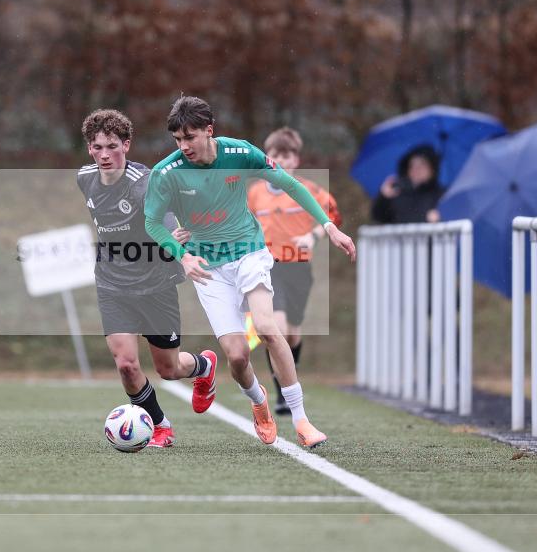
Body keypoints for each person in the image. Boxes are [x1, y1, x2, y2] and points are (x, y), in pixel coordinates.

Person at [144, 96, 356, 449]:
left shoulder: (239, 153)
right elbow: (152, 222)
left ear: (209, 130)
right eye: (177, 140)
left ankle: (302, 420)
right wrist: (182, 256)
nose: (183, 146)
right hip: (208, 268)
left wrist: (328, 226)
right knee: (238, 355)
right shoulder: (166, 173)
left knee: (268, 328)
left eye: (190, 137)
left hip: (249, 253)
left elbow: (290, 184)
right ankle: (259, 402)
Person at [76, 109, 217, 448]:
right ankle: (159, 426)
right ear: (89, 148)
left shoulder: (143, 184)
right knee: (126, 365)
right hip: (112, 284)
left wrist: (179, 251)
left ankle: (203, 366)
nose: (104, 155)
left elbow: (165, 221)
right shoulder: (84, 178)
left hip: (155, 284)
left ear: (126, 145)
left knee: (169, 369)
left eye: (112, 146)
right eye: (97, 147)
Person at [247, 127, 342, 415]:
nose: (281, 161)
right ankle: (282, 394)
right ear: (267, 159)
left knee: (292, 333)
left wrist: (312, 236)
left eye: (287, 156)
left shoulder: (308, 190)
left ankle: (290, 370)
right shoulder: (255, 193)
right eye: (275, 155)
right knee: (275, 327)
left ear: (296, 160)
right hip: (268, 267)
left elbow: (333, 215)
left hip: (299, 268)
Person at [371, 144, 445, 224]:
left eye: (422, 165)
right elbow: (379, 217)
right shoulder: (397, 191)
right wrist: (383, 198)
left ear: (432, 169)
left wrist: (441, 217)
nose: (416, 169)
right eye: (411, 166)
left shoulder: (442, 196)